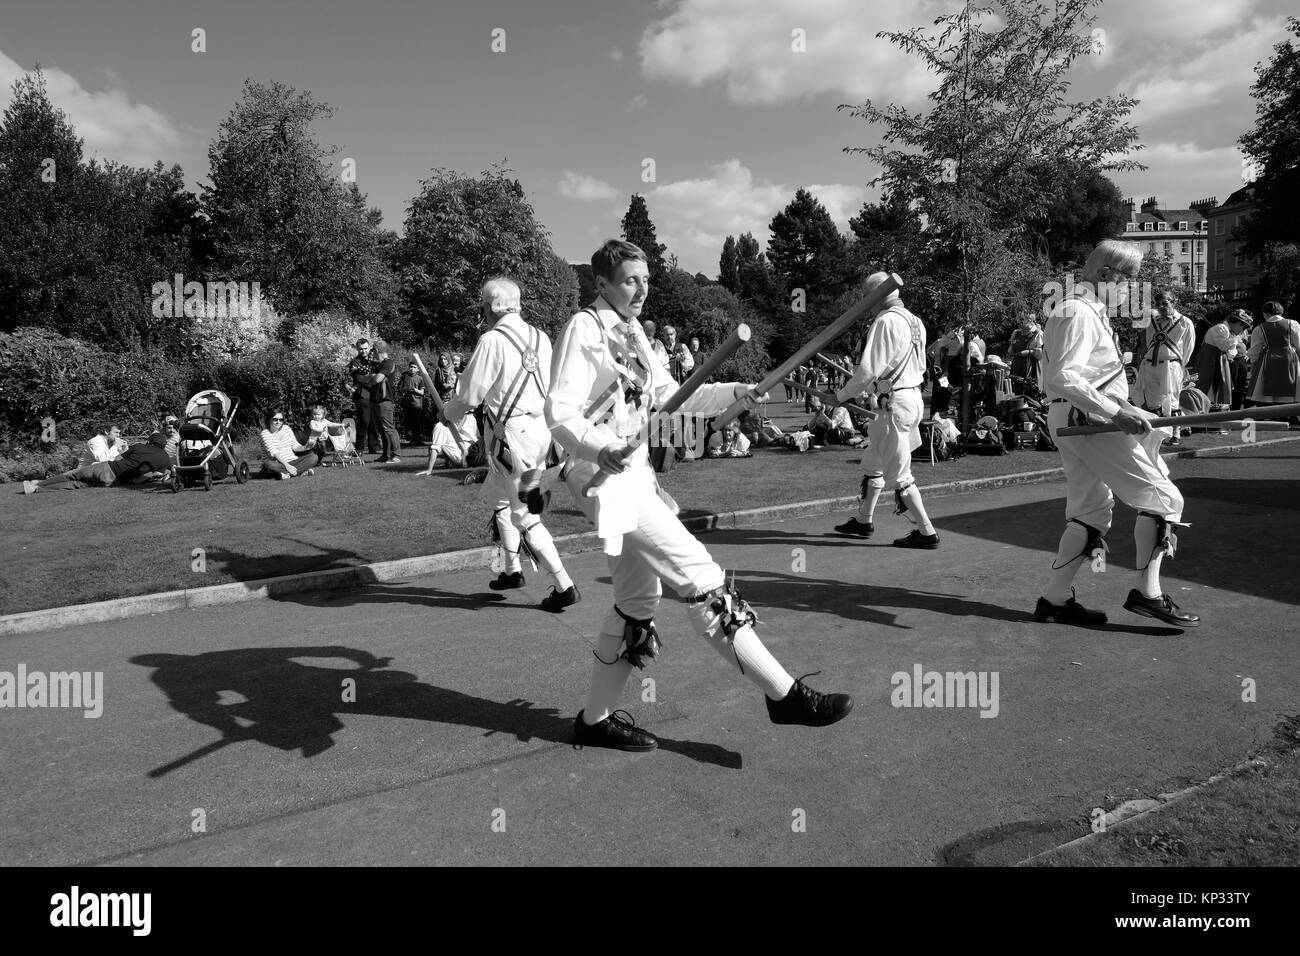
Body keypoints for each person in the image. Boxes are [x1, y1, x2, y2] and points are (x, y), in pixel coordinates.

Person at [546, 239, 852, 752]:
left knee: (636, 599)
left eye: (646, 279)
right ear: (601, 283)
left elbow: (673, 399)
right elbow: (561, 411)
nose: (641, 289)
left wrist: (734, 391)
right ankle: (784, 696)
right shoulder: (585, 328)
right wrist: (601, 449)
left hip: (636, 474)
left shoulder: (640, 338)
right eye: (629, 280)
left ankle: (594, 721)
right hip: (603, 478)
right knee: (699, 575)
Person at [1033, 240, 1198, 628]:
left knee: (1090, 510)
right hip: (1088, 422)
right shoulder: (1077, 311)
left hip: (1079, 420)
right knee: (1164, 498)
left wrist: (1127, 408)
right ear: (1107, 274)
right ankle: (1147, 593)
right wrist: (1114, 412)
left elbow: (1091, 381)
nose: (1132, 288)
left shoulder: (1085, 310)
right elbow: (1064, 377)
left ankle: (1054, 601)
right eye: (1130, 280)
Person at [443, 277, 579, 611]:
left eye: (483, 305)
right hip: (539, 430)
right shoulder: (540, 337)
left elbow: (470, 393)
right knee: (500, 498)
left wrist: (450, 411)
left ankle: (564, 586)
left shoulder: (492, 340)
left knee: (524, 514)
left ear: (489, 306)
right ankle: (511, 569)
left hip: (512, 437)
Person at [831, 272, 939, 548]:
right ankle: (864, 520)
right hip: (909, 397)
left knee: (899, 474)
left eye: (867, 296)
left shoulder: (885, 321)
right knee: (874, 462)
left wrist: (841, 396)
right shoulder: (916, 321)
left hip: (893, 402)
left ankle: (927, 532)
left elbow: (868, 370)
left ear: (876, 296)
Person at [1133, 292, 1196, 445]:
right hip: (1150, 364)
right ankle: (1157, 434)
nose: (1161, 307)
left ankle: (1176, 434)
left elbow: (1189, 347)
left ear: (1174, 302)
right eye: (1158, 304)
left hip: (1171, 365)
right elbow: (1149, 343)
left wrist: (1177, 365)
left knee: (1172, 400)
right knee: (1153, 402)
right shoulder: (1152, 322)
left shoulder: (1184, 322)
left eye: (1165, 303)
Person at [24, 431, 172, 493]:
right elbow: (164, 475)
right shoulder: (165, 459)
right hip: (116, 482)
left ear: (151, 441)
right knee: (74, 485)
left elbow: (118, 458)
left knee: (71, 475)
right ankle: (37, 490)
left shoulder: (140, 446)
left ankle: (37, 484)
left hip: (108, 468)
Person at [1246, 301, 1300, 425]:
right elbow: (1298, 344)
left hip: (1270, 358)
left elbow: (1255, 350)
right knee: (1291, 383)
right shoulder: (1293, 324)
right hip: (1290, 357)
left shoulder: (1259, 329)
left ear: (1266, 314)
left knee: (1270, 384)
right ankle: (1290, 414)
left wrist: (1253, 362)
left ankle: (1272, 412)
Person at [1195, 310, 1251, 409]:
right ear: (1238, 323)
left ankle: (1213, 406)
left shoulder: (1229, 331)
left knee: (1218, 386)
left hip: (1219, 360)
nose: (1242, 331)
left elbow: (1231, 352)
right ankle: (1202, 407)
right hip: (1210, 359)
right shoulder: (1221, 328)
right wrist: (1235, 340)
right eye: (1243, 327)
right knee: (1207, 384)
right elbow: (1224, 346)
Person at [357, 343, 401, 463]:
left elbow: (377, 379)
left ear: (377, 350)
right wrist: (371, 377)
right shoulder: (379, 365)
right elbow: (365, 379)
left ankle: (396, 455)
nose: (372, 353)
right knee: (381, 430)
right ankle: (386, 455)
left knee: (388, 429)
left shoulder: (388, 363)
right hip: (375, 400)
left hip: (385, 400)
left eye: (373, 351)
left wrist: (371, 377)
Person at [260, 410, 320, 479]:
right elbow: (274, 453)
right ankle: (299, 472)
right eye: (275, 419)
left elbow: (295, 446)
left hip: (293, 461)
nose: (278, 422)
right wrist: (287, 466)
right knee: (268, 464)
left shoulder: (287, 429)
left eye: (281, 420)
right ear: (269, 420)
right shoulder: (265, 433)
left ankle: (285, 474)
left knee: (314, 457)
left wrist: (306, 447)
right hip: (277, 464)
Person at [347, 339, 381, 455]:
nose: (363, 351)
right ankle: (359, 448)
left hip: (375, 394)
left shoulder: (375, 360)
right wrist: (372, 378)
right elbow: (358, 378)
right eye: (361, 349)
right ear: (357, 349)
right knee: (364, 421)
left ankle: (374, 447)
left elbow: (380, 374)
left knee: (374, 421)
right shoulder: (354, 362)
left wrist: (370, 377)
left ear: (369, 347)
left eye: (365, 348)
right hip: (362, 395)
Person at [1009, 313, 1044, 393]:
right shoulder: (1016, 333)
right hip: (1016, 366)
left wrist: (1029, 352)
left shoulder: (1038, 334)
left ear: (1029, 320)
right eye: (1018, 319)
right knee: (1015, 390)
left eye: (1021, 319)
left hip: (1031, 368)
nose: (1018, 322)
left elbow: (1043, 352)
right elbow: (1011, 349)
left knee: (1029, 390)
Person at [398, 360, 427, 443]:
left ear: (418, 369)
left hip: (416, 403)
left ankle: (418, 440)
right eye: (411, 367)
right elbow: (400, 389)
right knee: (408, 422)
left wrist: (414, 390)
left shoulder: (420, 378)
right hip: (407, 403)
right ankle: (410, 439)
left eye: (414, 367)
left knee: (417, 422)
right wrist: (405, 389)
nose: (412, 369)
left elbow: (422, 392)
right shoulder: (404, 376)